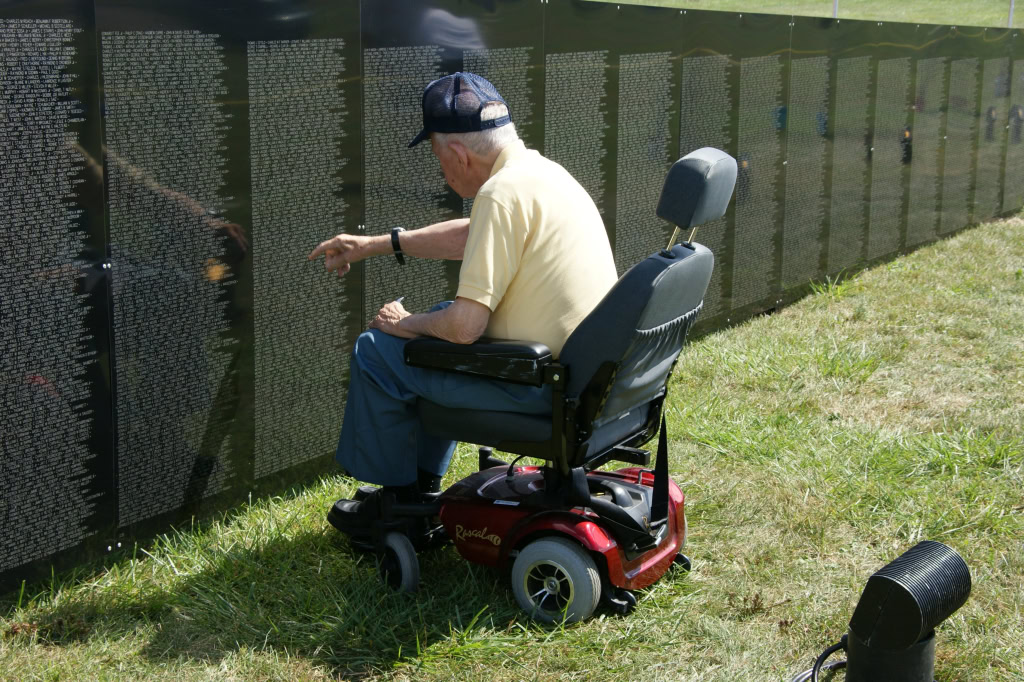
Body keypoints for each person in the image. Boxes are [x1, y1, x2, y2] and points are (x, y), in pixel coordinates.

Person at [308, 72, 617, 527]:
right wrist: (376, 244)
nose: (441, 171)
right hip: (582, 381)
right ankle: (421, 484)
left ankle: (398, 507)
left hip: (537, 388)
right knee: (431, 327)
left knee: (379, 350)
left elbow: (465, 329)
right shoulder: (541, 174)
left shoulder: (500, 194)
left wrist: (403, 322)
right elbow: (472, 237)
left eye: (437, 158)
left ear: (457, 152)